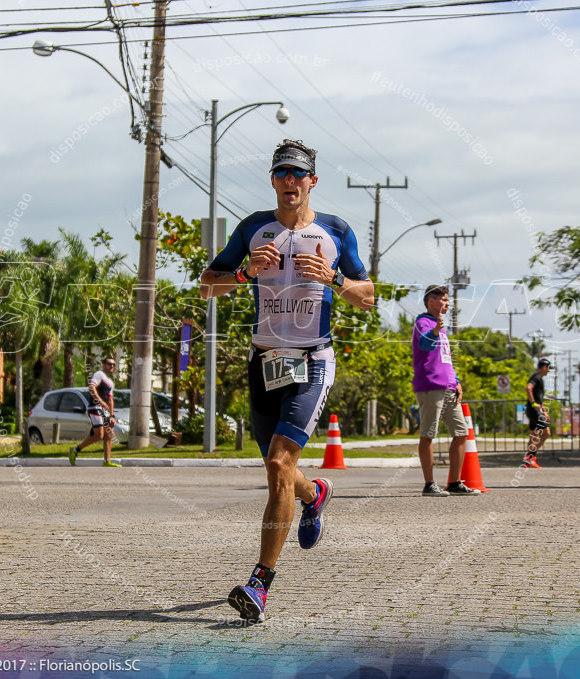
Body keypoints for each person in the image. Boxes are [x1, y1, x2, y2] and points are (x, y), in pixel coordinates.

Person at [199, 139, 374, 622]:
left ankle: (260, 584)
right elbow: (205, 283)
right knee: (279, 470)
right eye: (282, 174)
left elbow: (369, 295)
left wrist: (335, 280)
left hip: (312, 360)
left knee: (278, 462)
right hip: (263, 362)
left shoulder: (335, 231)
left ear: (312, 181)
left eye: (298, 174)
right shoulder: (253, 228)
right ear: (273, 180)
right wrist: (243, 275)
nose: (290, 182)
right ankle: (315, 494)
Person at [412, 285, 480, 497]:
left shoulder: (441, 327)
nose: (447, 304)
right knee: (428, 434)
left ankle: (455, 482)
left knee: (461, 433)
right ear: (430, 301)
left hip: (448, 386)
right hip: (431, 386)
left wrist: (456, 380)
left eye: (448, 300)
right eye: (443, 299)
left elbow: (445, 359)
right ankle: (429, 483)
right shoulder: (422, 323)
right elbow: (425, 345)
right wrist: (434, 331)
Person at [69, 357, 119, 466]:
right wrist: (100, 402)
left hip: (104, 411)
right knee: (99, 435)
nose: (112, 366)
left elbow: (110, 400)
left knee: (109, 434)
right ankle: (75, 450)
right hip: (95, 408)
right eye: (109, 363)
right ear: (104, 365)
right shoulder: (99, 374)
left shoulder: (110, 382)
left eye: (113, 364)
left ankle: (107, 461)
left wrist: (112, 415)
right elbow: (91, 388)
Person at [523, 358, 553, 468]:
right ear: (544, 367)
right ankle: (531, 456)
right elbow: (528, 388)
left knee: (534, 435)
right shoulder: (536, 377)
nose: (548, 371)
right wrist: (534, 404)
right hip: (534, 410)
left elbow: (539, 398)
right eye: (548, 368)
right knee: (546, 433)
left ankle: (529, 459)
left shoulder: (539, 378)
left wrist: (544, 410)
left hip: (534, 410)